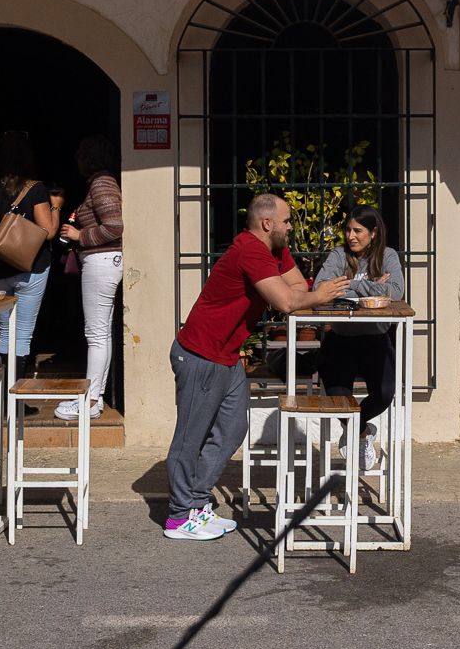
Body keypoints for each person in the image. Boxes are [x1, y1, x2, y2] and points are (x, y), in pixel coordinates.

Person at [164, 193, 350, 541]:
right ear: (268, 223)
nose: (291, 227)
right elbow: (286, 300)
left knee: (233, 428)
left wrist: (306, 294)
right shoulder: (250, 250)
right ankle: (178, 516)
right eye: (287, 221)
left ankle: (196, 503)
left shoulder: (272, 251)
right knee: (191, 438)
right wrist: (319, 296)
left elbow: (296, 287)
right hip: (201, 355)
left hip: (228, 355)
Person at [314, 205, 405, 471]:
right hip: (340, 338)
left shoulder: (388, 256)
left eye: (358, 231)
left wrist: (347, 284)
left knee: (385, 393)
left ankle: (357, 429)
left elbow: (396, 292)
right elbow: (320, 287)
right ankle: (363, 433)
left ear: (373, 233)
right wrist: (373, 286)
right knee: (338, 398)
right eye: (348, 230)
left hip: (375, 339)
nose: (351, 236)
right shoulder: (337, 255)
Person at [0, 131, 60, 376]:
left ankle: (2, 397)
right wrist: (56, 206)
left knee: (4, 331)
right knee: (22, 333)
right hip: (30, 269)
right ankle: (15, 399)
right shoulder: (36, 189)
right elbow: (48, 231)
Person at [55, 135, 123, 422]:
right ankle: (94, 396)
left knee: (95, 335)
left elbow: (115, 226)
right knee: (100, 334)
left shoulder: (102, 183)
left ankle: (91, 400)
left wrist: (78, 235)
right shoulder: (101, 182)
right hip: (103, 262)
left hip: (101, 262)